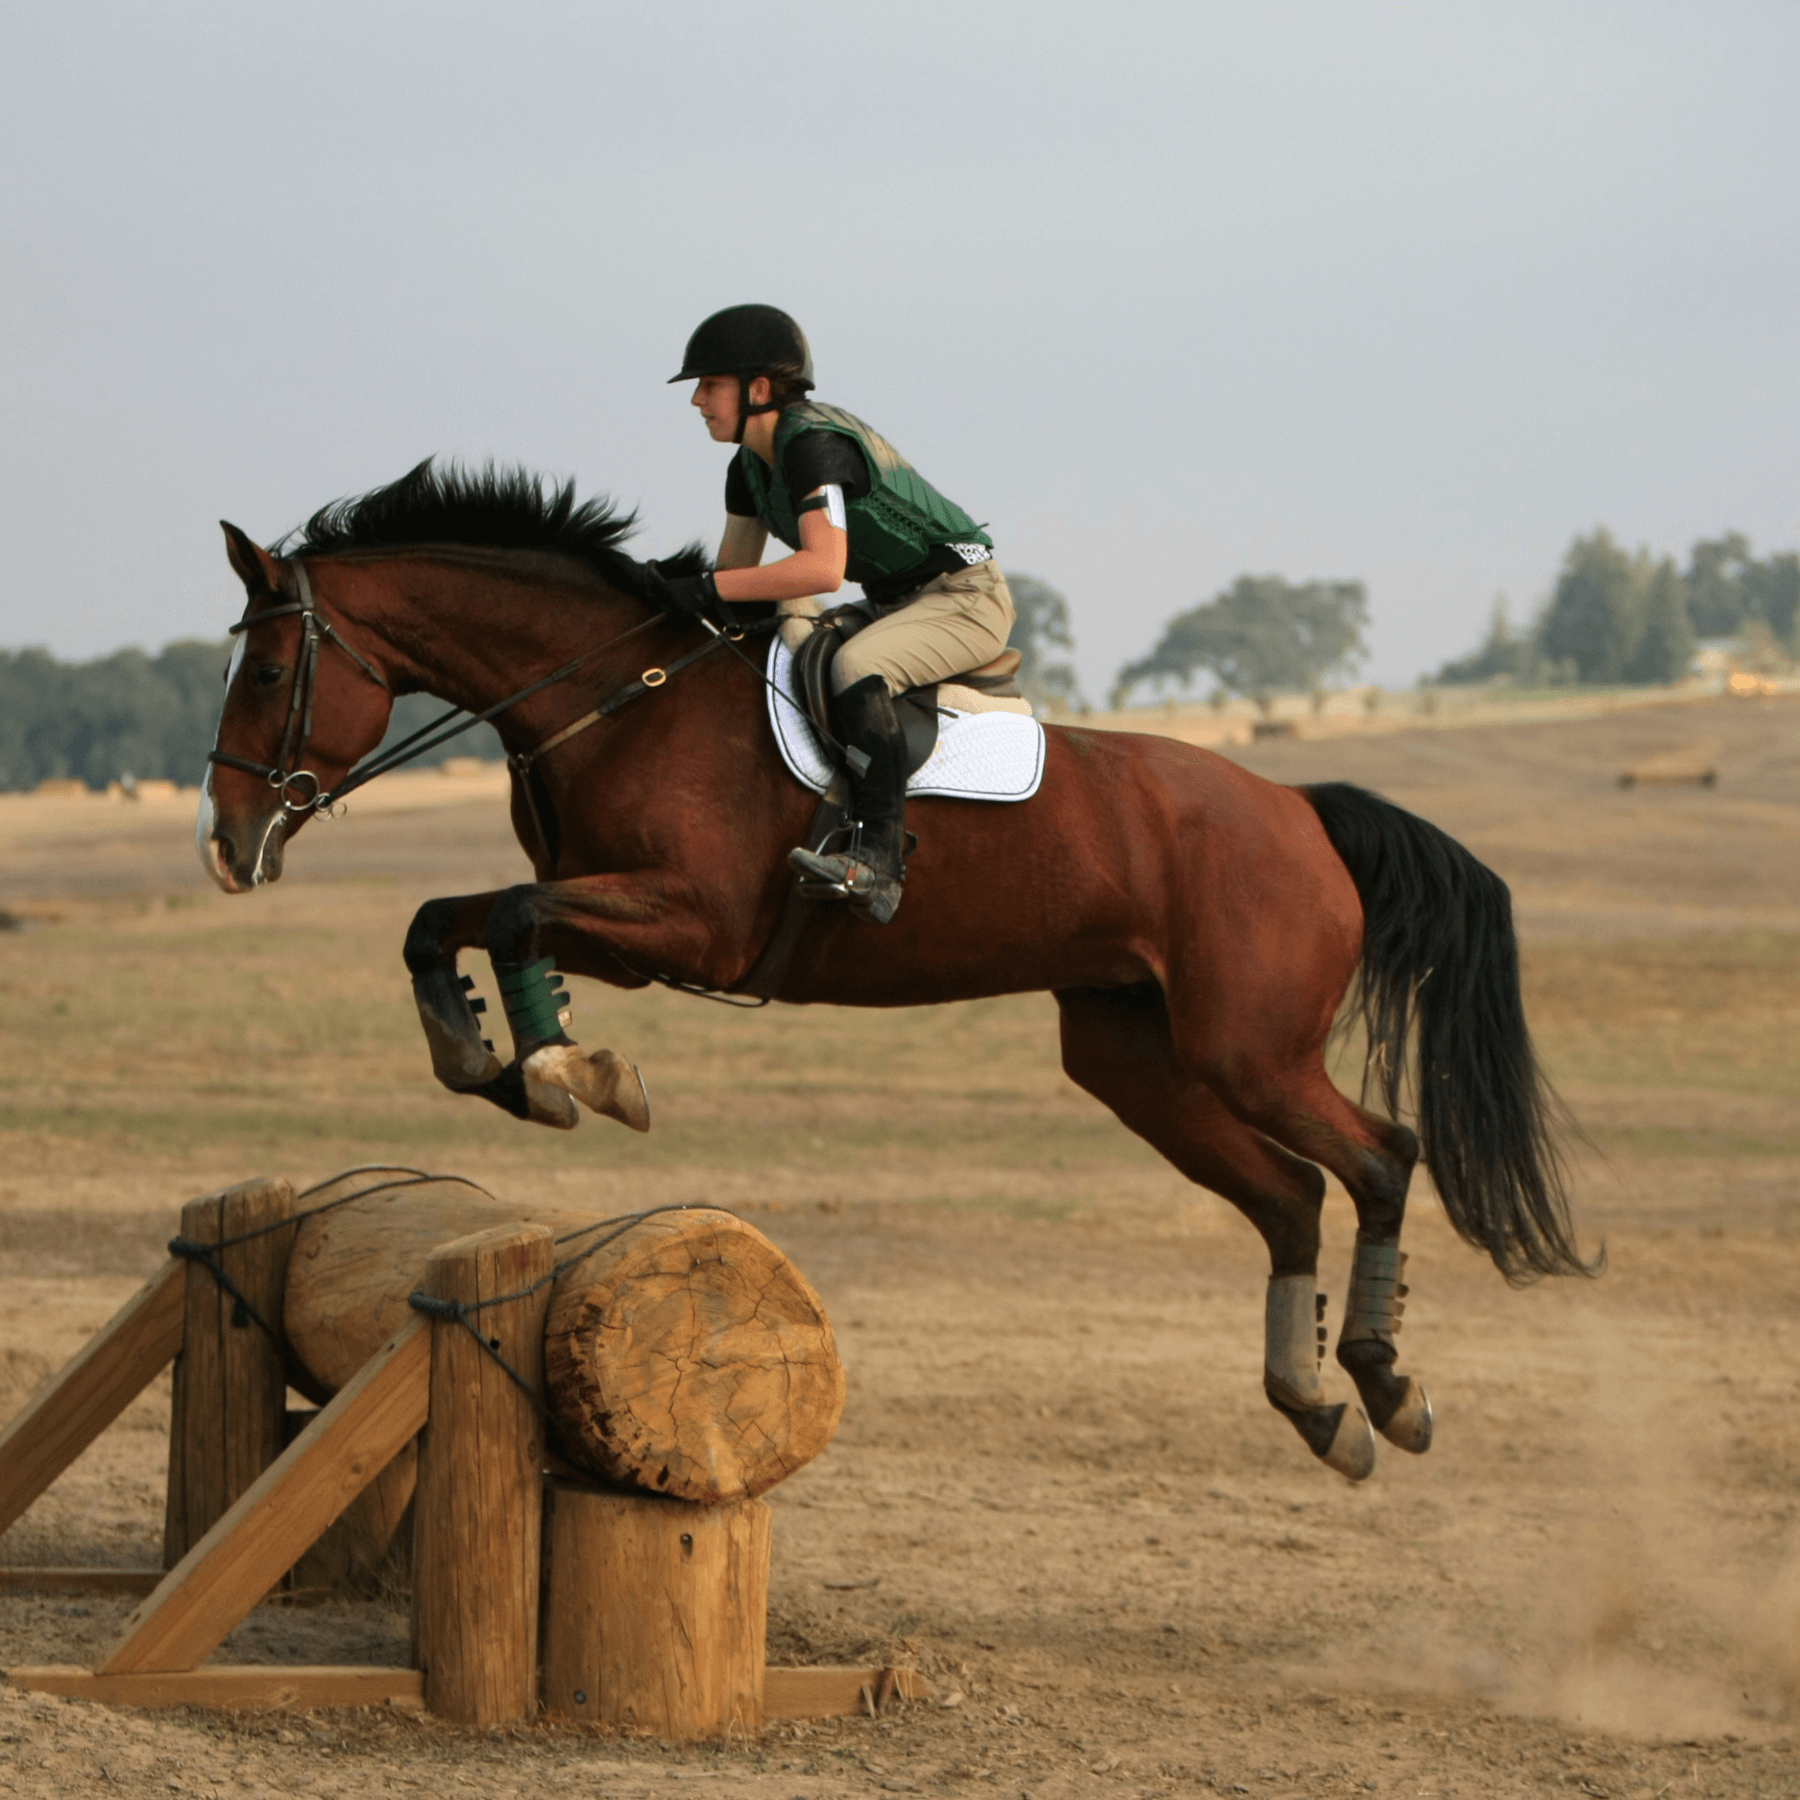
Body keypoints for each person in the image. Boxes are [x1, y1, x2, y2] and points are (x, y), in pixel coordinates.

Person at [652, 304, 1014, 925]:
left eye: (709, 385)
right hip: (895, 601)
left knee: (855, 664)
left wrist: (713, 585)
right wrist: (672, 593)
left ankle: (878, 862)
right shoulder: (748, 467)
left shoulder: (813, 444)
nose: (698, 401)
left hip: (966, 597)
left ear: (758, 389)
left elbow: (821, 569)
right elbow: (734, 580)